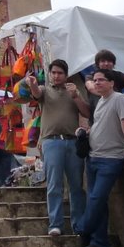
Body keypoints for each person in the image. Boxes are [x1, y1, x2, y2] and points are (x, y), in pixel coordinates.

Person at [77, 69, 124, 247]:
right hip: (93, 156)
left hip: (110, 158)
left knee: (96, 198)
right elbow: (99, 124)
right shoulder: (100, 102)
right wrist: (86, 132)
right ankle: (100, 243)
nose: (97, 83)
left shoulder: (120, 100)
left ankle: (83, 228)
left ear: (112, 83)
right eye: (96, 80)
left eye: (101, 80)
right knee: (99, 202)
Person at [25, 59, 90, 236]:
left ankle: (79, 225)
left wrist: (76, 96)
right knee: (54, 184)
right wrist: (32, 84)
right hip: (51, 141)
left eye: (60, 73)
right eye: (53, 72)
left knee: (76, 185)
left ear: (66, 75)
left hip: (72, 141)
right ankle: (55, 223)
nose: (56, 76)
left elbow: (86, 113)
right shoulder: (46, 91)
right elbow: (37, 94)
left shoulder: (73, 91)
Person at [85, 49, 124, 136]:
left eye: (109, 61)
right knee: (98, 88)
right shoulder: (91, 77)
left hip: (116, 113)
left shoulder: (119, 76)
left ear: (113, 64)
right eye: (103, 61)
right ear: (97, 64)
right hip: (98, 116)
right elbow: (91, 88)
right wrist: (114, 97)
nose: (106, 64)